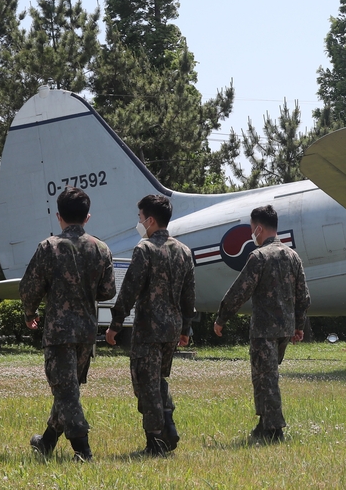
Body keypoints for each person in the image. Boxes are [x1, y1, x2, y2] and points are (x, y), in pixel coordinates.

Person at [20, 186, 115, 462]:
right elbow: (108, 291)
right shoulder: (101, 248)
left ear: (59, 216)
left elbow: (29, 288)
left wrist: (29, 314)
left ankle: (82, 452)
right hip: (86, 332)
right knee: (67, 389)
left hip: (59, 332)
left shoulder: (49, 247)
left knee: (66, 392)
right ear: (87, 217)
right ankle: (47, 442)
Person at [105, 194, 195, 456]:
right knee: (158, 380)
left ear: (151, 220)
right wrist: (185, 328)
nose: (139, 222)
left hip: (148, 330)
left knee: (145, 384)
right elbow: (189, 295)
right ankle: (168, 423)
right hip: (171, 330)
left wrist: (116, 322)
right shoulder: (184, 251)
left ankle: (155, 442)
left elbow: (130, 288)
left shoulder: (144, 249)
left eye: (140, 217)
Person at [214, 205, 310, 443]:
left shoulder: (259, 257)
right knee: (267, 377)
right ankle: (263, 423)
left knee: (265, 379)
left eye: (251, 228)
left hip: (264, 330)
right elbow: (304, 296)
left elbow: (240, 290)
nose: (251, 234)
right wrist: (298, 326)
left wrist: (222, 317)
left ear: (258, 228)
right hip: (284, 330)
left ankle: (274, 430)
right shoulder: (292, 256)